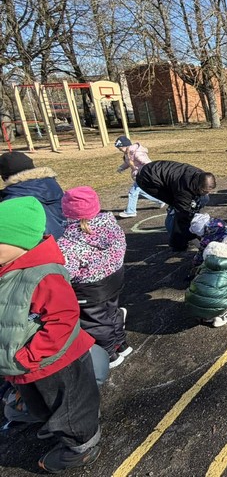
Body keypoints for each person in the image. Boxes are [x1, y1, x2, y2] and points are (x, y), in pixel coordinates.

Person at [0, 197, 101, 472]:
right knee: (42, 403)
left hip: (51, 361)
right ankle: (52, 422)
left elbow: (63, 319)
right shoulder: (8, 267)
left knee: (69, 407)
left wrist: (30, 355)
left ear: (20, 242)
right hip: (24, 362)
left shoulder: (44, 276)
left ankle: (81, 446)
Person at [57, 187, 130, 368]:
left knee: (95, 322)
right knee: (112, 311)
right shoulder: (110, 225)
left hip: (89, 288)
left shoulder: (67, 241)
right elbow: (121, 246)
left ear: (66, 212)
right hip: (114, 278)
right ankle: (121, 343)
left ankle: (108, 354)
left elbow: (66, 271)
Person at [136, 160, 216, 252]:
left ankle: (188, 228)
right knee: (178, 210)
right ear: (198, 186)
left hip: (160, 171)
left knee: (203, 199)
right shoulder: (184, 190)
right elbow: (183, 214)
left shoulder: (202, 176)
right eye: (205, 191)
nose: (207, 193)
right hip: (148, 179)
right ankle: (176, 241)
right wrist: (193, 239)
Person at [0, 151, 66, 239]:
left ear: (4, 177)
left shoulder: (12, 199)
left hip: (41, 242)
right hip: (67, 236)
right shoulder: (51, 184)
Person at [114, 135, 165, 218]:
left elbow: (148, 164)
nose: (119, 150)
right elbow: (128, 162)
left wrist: (145, 173)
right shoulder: (127, 153)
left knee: (133, 192)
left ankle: (131, 211)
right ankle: (160, 200)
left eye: (120, 148)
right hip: (138, 175)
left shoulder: (137, 153)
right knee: (141, 191)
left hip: (143, 175)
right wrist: (121, 168)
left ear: (125, 146)